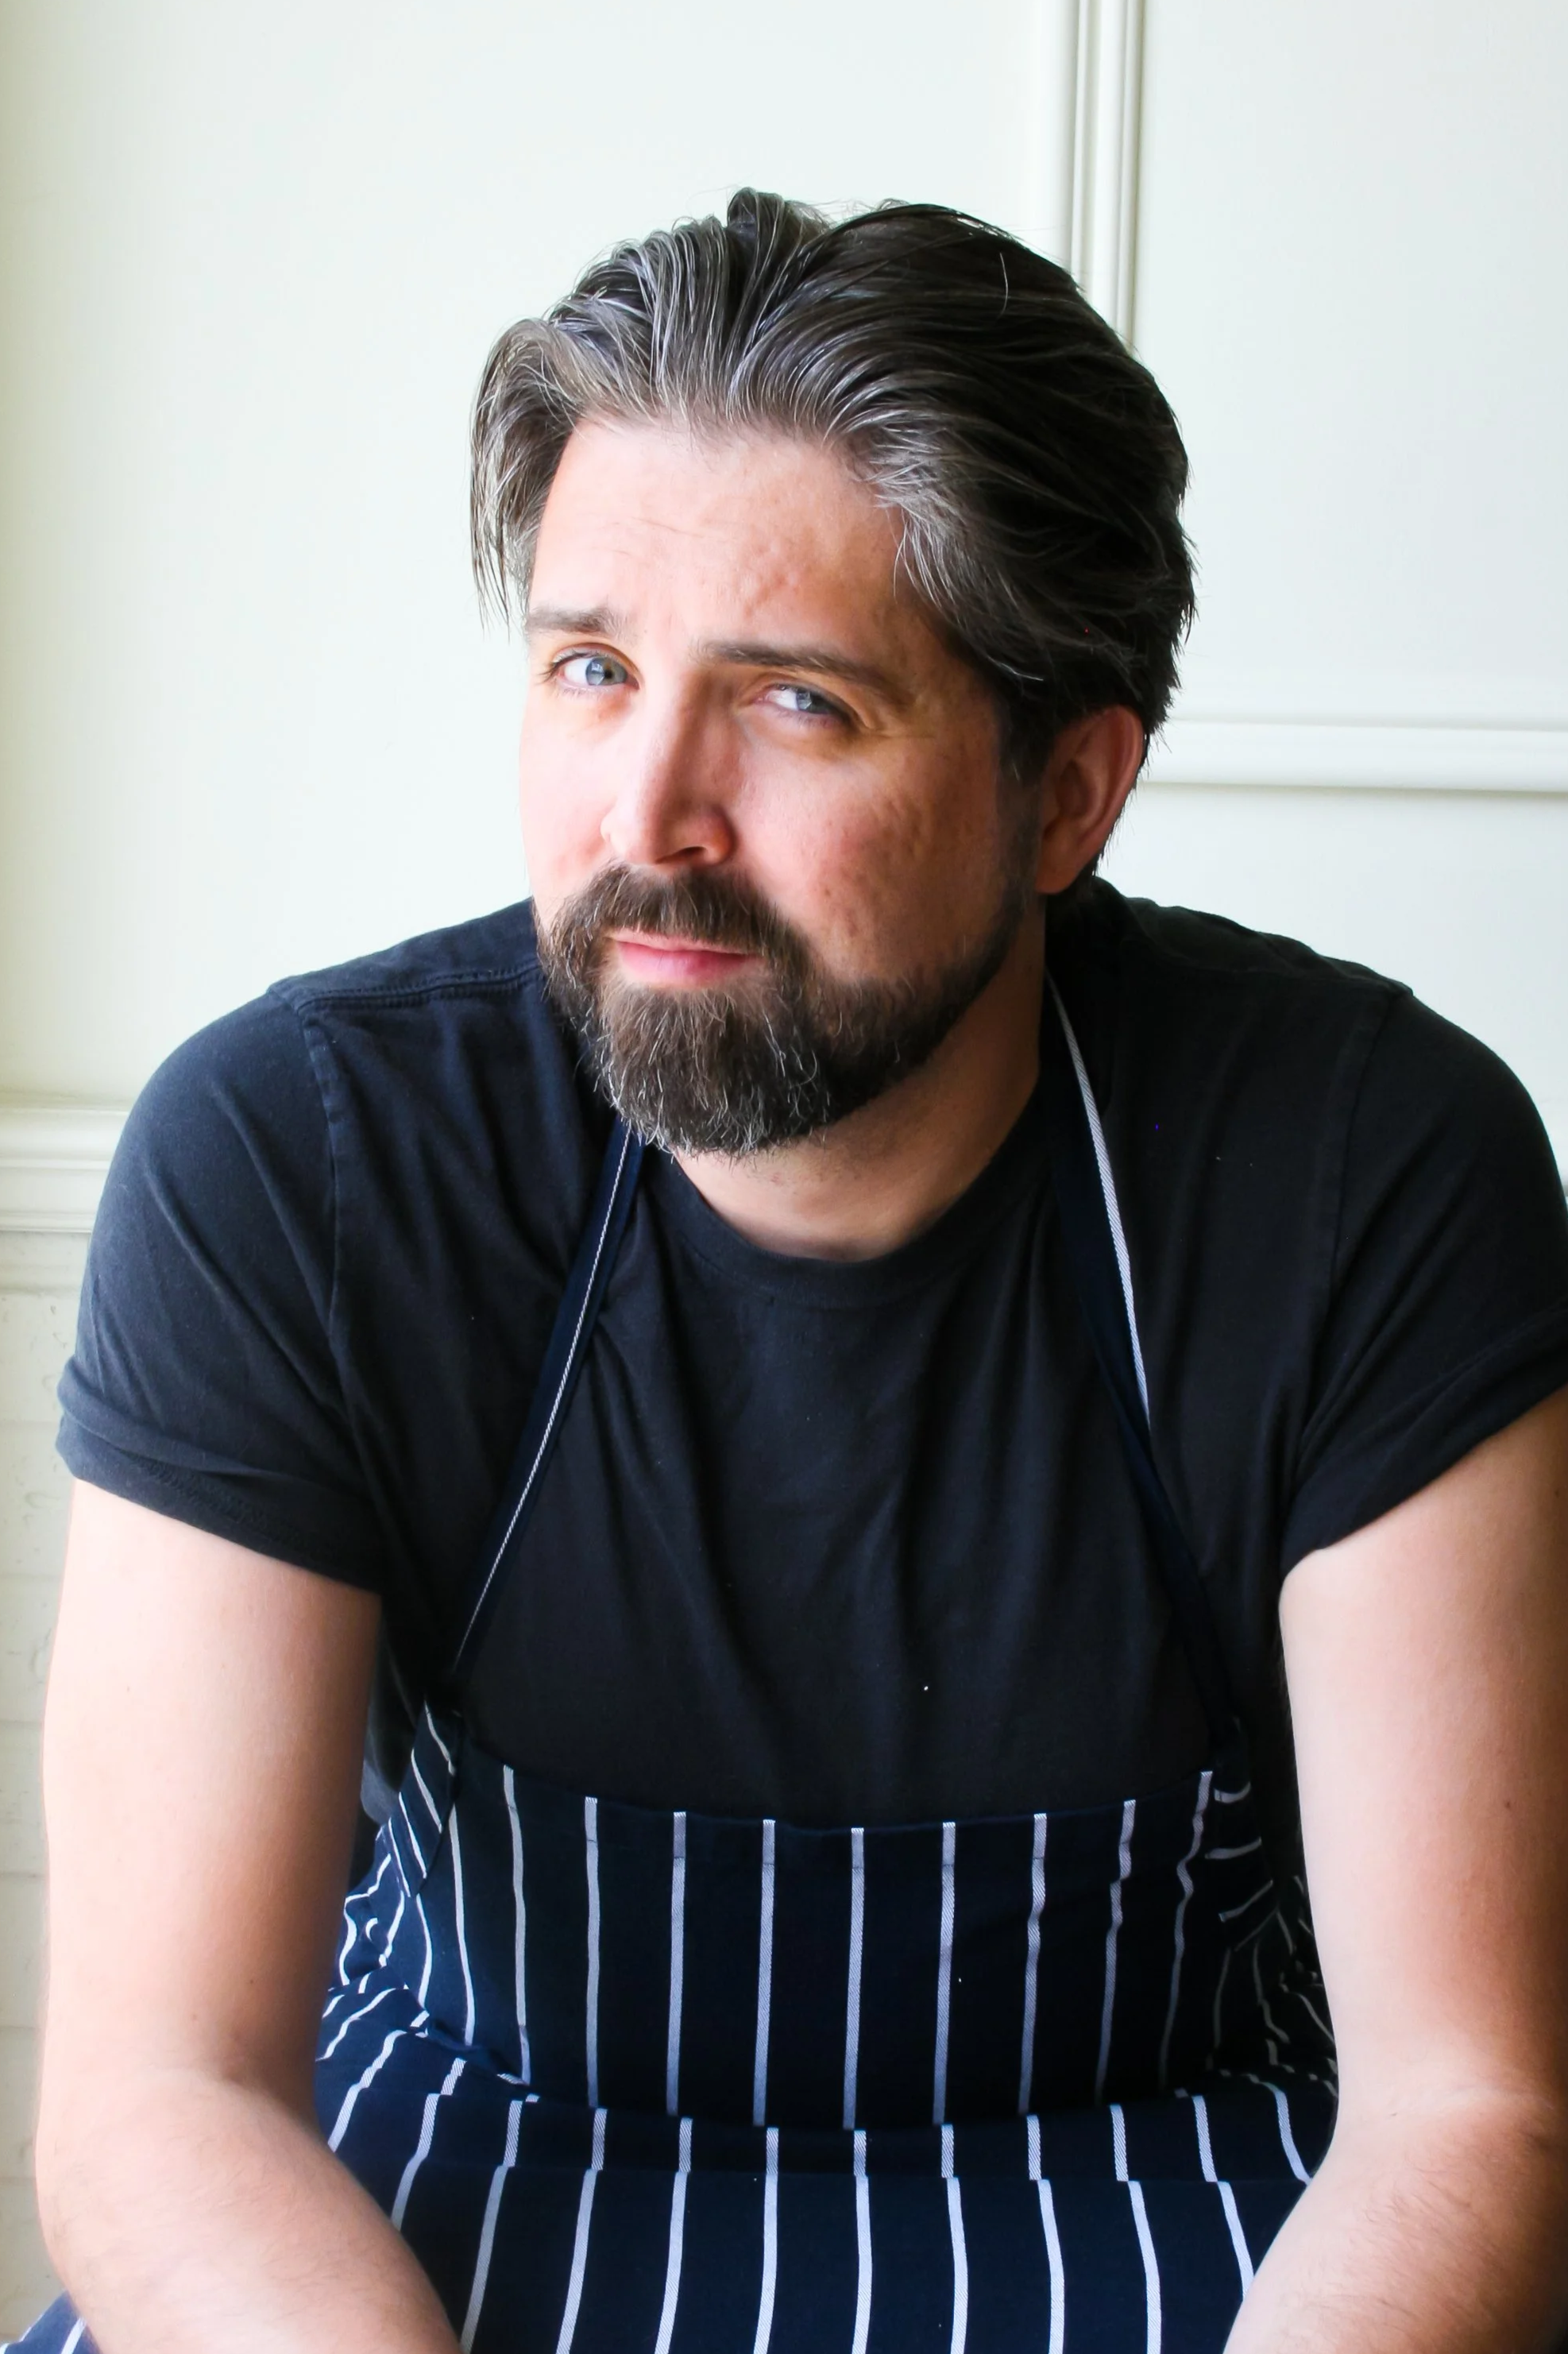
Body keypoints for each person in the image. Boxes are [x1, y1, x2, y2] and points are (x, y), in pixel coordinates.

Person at [12, 191, 1568, 2354]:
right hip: (425, 2217)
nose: (647, 812)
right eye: (590, 671)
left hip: (1186, 2214)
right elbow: (162, 2100)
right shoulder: (298, 1161)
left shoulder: (1363, 1173)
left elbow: (1468, 2114)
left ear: (1068, 792)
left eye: (798, 705)